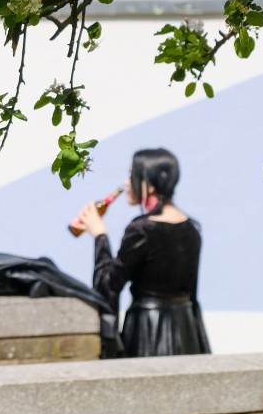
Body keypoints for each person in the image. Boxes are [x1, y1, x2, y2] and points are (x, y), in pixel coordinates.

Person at [75, 147, 211, 357]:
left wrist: (100, 236)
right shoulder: (191, 228)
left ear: (150, 183)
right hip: (186, 333)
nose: (127, 182)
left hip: (147, 332)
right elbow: (192, 292)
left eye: (132, 175)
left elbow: (109, 284)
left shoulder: (142, 230)